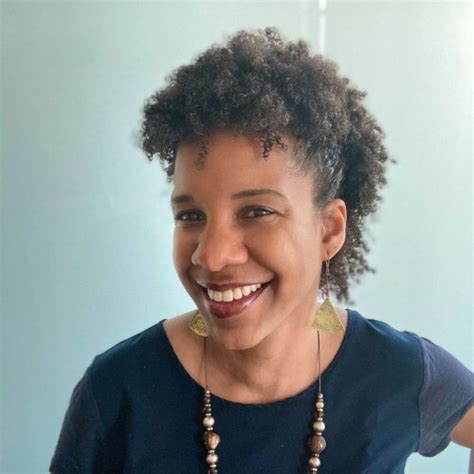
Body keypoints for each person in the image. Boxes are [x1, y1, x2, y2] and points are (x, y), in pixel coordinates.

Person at [49, 27, 474, 473]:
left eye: (256, 212)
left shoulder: (400, 374)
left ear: (328, 230)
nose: (211, 257)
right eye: (190, 215)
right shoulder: (116, 393)